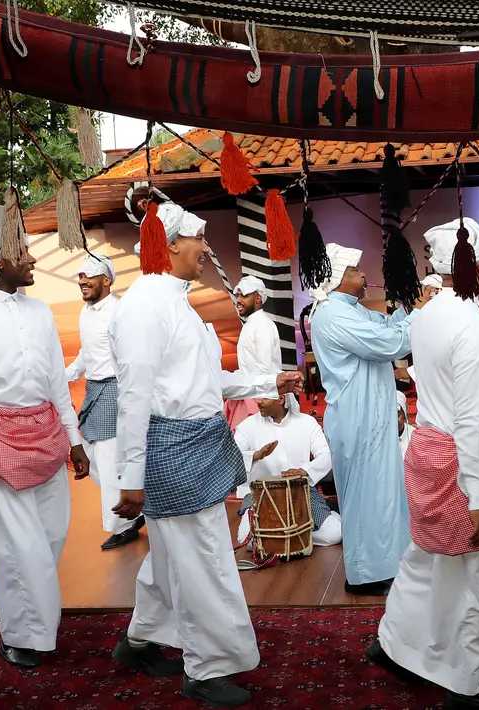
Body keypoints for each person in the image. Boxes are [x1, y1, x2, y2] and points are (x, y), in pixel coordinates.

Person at [110, 200, 303, 706]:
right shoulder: (144, 306)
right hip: (172, 447)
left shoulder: (174, 300)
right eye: (199, 237)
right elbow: (133, 394)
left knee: (176, 554)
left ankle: (140, 641)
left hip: (196, 441)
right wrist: (131, 476)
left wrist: (267, 380)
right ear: (171, 243)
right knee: (204, 558)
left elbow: (204, 379)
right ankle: (206, 668)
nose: (206, 248)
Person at [370, 217, 479, 710]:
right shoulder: (477, 328)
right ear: (471, 262)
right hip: (465, 460)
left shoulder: (424, 315)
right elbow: (469, 420)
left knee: (425, 560)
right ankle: (466, 682)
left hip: (428, 449)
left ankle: (394, 644)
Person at [0, 223, 90, 668]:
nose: (32, 259)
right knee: (16, 547)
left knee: (51, 538)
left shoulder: (40, 312)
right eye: (22, 252)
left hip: (45, 436)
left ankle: (35, 623)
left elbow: (56, 384)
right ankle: (23, 636)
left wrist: (74, 439)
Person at [310, 243, 417, 596]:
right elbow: (390, 344)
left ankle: (383, 565)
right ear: (340, 278)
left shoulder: (349, 309)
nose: (363, 275)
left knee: (382, 494)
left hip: (370, 415)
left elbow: (387, 326)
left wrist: (407, 307)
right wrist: (421, 311)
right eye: (356, 270)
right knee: (365, 497)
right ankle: (363, 574)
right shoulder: (332, 315)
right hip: (357, 418)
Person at [65, 253, 141, 550]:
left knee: (108, 460)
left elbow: (130, 354)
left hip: (115, 389)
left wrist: (128, 394)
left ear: (106, 280)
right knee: (93, 456)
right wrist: (69, 373)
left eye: (88, 276)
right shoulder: (87, 311)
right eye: (80, 277)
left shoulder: (118, 311)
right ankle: (137, 511)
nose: (82, 281)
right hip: (94, 388)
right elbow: (88, 351)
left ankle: (123, 525)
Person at [233, 392, 343, 547]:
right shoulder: (247, 426)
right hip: (260, 496)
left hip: (302, 493)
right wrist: (255, 456)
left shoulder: (307, 423)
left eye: (264, 397)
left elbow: (325, 454)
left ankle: (281, 536)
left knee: (334, 534)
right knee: (247, 540)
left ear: (281, 399)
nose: (258, 401)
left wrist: (305, 471)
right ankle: (297, 535)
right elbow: (233, 456)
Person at [226, 275, 282, 430]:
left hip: (259, 399)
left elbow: (264, 369)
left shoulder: (262, 325)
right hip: (249, 394)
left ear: (258, 299)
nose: (238, 300)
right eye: (237, 295)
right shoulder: (251, 324)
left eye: (244, 296)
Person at [396, 390, 416, 456]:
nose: (394, 421)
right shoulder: (379, 437)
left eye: (397, 416)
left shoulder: (413, 436)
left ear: (404, 415)